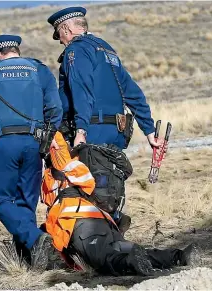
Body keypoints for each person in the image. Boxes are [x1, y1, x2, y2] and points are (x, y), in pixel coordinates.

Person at [46, 7, 164, 231]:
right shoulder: (107, 50)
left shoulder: (77, 51)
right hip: (116, 131)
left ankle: (103, 238)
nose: (60, 41)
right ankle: (113, 225)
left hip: (92, 130)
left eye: (59, 35)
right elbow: (132, 92)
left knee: (88, 190)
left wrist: (80, 131)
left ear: (67, 29)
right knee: (109, 185)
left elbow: (82, 91)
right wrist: (149, 131)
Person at [40, 131, 201, 276]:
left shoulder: (61, 165)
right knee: (124, 249)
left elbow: (85, 181)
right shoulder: (59, 169)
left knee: (104, 260)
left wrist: (56, 143)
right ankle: (179, 256)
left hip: (78, 222)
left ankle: (130, 263)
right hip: (101, 219)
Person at [0, 34, 63, 270]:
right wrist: (48, 134)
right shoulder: (39, 69)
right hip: (35, 143)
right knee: (26, 201)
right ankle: (30, 260)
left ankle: (36, 239)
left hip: (5, 142)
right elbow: (55, 108)